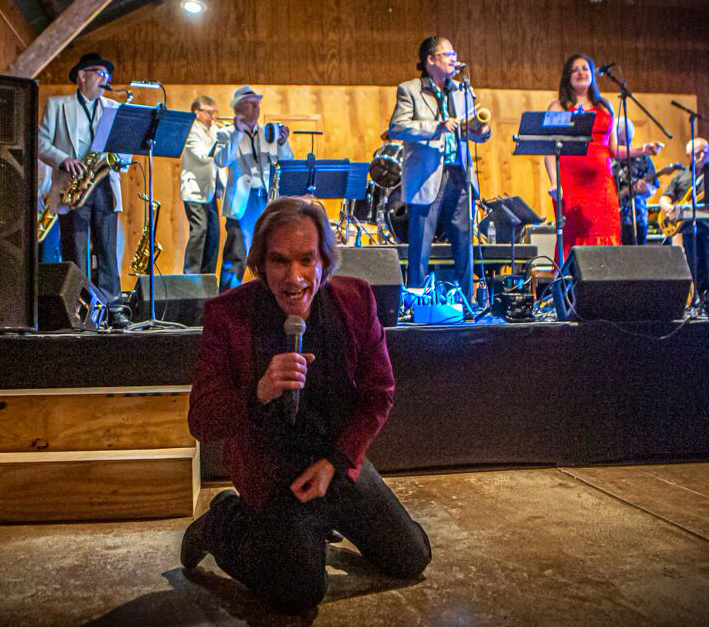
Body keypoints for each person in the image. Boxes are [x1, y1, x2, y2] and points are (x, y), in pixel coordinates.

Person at [180, 197, 431, 613]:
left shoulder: (356, 301)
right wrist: (259, 391)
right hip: (273, 472)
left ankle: (316, 522)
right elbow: (202, 420)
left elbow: (378, 393)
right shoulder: (228, 316)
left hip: (334, 461)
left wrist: (335, 462)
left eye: (306, 260)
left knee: (411, 558)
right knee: (299, 593)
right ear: (260, 263)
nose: (294, 278)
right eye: (279, 261)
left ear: (325, 260)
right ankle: (222, 522)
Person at [389, 36, 492, 303]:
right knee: (420, 244)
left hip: (459, 172)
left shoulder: (462, 90)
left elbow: (478, 133)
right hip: (427, 175)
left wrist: (481, 130)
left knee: (463, 242)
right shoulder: (409, 89)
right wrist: (436, 126)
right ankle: (416, 301)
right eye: (447, 55)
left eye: (454, 54)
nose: (453, 60)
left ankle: (466, 302)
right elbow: (397, 127)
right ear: (430, 60)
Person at [37, 52, 129, 327]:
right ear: (82, 76)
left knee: (106, 248)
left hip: (103, 184)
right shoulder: (57, 105)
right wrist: (63, 159)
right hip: (72, 184)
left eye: (107, 76)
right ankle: (77, 306)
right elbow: (41, 142)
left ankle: (113, 307)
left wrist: (119, 158)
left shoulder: (113, 107)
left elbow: (123, 147)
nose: (105, 80)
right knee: (74, 249)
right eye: (100, 73)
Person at [545, 54, 664, 263]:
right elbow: (548, 150)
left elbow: (614, 149)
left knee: (606, 233)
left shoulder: (604, 106)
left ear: (592, 74)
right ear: (567, 77)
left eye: (585, 68)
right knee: (573, 238)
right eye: (575, 69)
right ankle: (571, 292)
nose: (581, 73)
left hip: (602, 185)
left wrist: (643, 150)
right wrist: (555, 184)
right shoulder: (559, 108)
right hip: (571, 185)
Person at [214, 86, 293, 291]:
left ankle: (268, 296)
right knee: (237, 254)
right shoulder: (226, 134)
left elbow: (286, 162)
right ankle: (227, 298)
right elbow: (221, 160)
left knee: (270, 251)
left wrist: (283, 143)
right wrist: (237, 135)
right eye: (251, 103)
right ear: (239, 107)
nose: (257, 107)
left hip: (265, 199)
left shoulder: (267, 133)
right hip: (242, 201)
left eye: (258, 103)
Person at [659, 137, 709, 295]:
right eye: (697, 153)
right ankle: (701, 301)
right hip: (689, 228)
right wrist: (668, 208)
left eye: (705, 152)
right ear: (689, 155)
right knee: (695, 266)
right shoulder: (682, 176)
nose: (702, 156)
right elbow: (665, 197)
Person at [180, 96, 225, 274]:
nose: (213, 117)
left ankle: (207, 277)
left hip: (210, 190)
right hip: (194, 192)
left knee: (214, 233)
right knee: (199, 231)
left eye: (215, 112)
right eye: (209, 112)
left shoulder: (213, 129)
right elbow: (203, 157)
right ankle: (190, 275)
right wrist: (223, 140)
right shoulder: (191, 131)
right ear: (196, 113)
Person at [611, 117, 658, 246]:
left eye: (628, 140)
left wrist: (646, 189)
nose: (625, 144)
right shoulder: (608, 160)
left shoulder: (642, 159)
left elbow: (653, 188)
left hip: (637, 219)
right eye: (621, 141)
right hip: (613, 220)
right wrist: (625, 191)